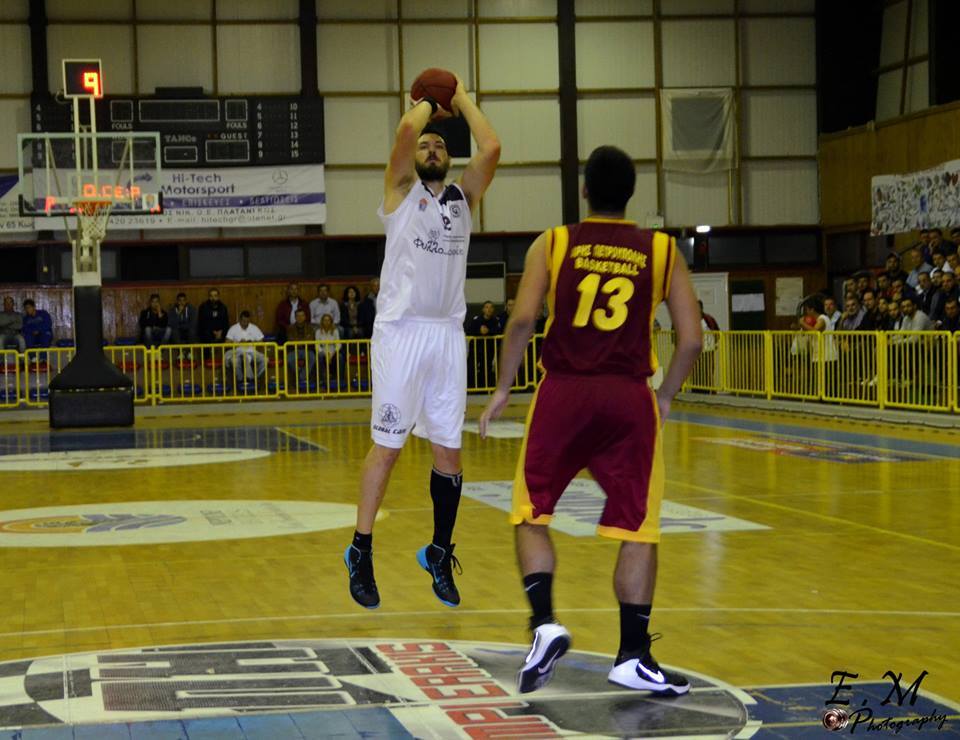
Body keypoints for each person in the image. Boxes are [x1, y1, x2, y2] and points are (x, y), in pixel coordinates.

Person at [478, 145, 701, 696]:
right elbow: (692, 339)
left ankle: (545, 623)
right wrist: (666, 394)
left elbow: (523, 319)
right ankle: (633, 655)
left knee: (530, 513)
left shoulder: (554, 243)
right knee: (638, 528)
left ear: (584, 191)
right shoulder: (662, 250)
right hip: (628, 399)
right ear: (631, 195)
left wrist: (503, 387)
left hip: (563, 393)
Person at [343, 72, 500, 610]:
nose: (431, 147)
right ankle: (360, 550)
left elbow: (491, 147)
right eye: (426, 144)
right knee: (388, 448)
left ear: (450, 158)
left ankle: (438, 551)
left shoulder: (463, 198)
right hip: (401, 332)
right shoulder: (400, 193)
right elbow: (406, 134)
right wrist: (430, 102)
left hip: (447, 336)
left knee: (450, 454)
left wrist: (462, 99)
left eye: (441, 145)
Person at [466, 300, 500, 389]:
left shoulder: (495, 321)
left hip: (488, 350)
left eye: (491, 307)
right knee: (471, 368)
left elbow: (498, 331)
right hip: (476, 349)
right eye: (486, 307)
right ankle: (471, 389)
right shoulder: (476, 320)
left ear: (493, 310)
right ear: (483, 309)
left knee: (486, 370)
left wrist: (488, 331)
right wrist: (479, 331)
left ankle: (484, 389)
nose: (489, 309)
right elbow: (468, 331)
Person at [225, 311, 266, 382]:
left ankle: (256, 378)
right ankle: (241, 380)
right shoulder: (233, 328)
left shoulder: (254, 328)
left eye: (247, 321)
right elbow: (227, 342)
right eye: (244, 321)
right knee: (235, 361)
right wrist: (238, 343)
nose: (245, 323)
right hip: (237, 351)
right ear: (240, 320)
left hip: (251, 351)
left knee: (265, 360)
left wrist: (251, 342)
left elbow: (261, 341)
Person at [285, 307, 317, 386]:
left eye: (302, 315)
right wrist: (303, 341)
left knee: (312, 358)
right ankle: (302, 375)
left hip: (307, 349)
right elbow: (290, 340)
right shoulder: (290, 328)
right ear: (295, 317)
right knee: (289, 359)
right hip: (294, 350)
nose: (300, 317)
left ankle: (301, 377)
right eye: (298, 316)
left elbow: (311, 339)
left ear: (305, 317)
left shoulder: (310, 327)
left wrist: (298, 341)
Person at [316, 313, 346, 388]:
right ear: (322, 321)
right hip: (323, 353)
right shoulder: (318, 332)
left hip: (333, 353)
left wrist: (332, 354)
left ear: (331, 321)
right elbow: (317, 346)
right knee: (319, 356)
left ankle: (340, 380)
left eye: (328, 320)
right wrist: (325, 354)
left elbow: (338, 344)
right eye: (325, 320)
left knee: (340, 357)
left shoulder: (335, 331)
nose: (326, 322)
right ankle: (323, 380)